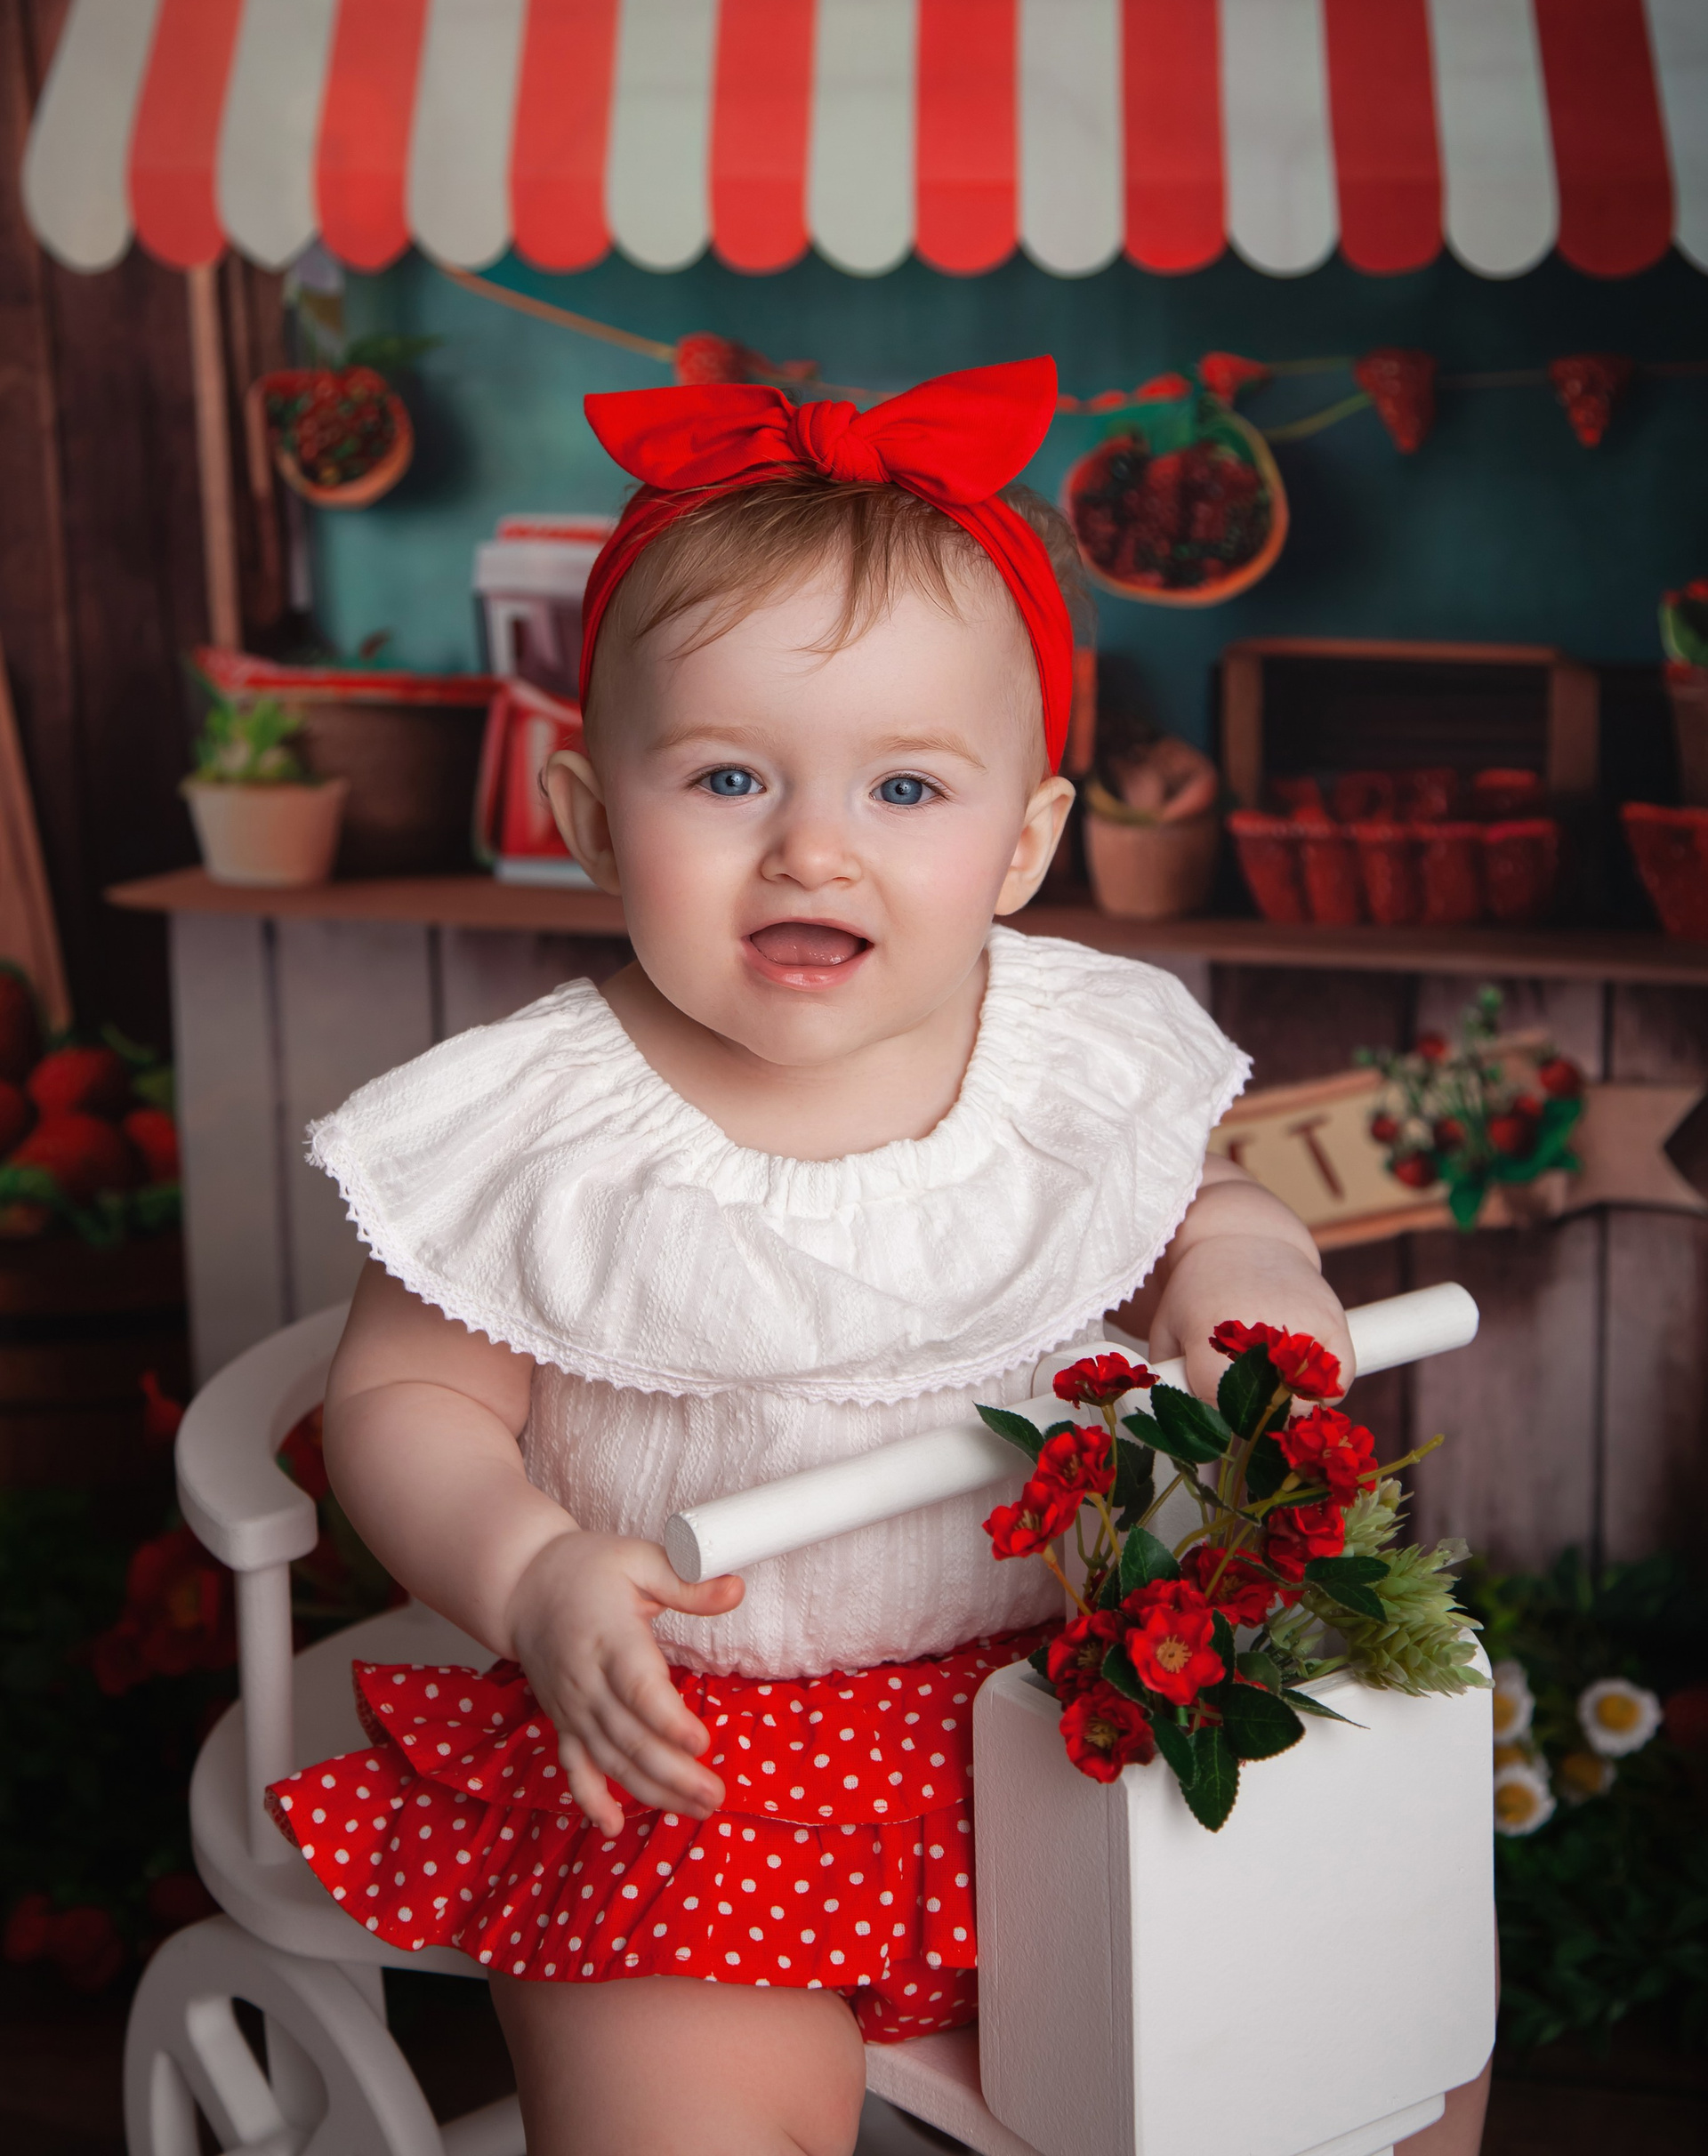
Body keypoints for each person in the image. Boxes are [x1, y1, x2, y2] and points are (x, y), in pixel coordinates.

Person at [269, 358, 1483, 2156]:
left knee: (1368, 2043)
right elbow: (402, 1400)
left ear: (1027, 842)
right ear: (591, 817)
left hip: (1074, 1703)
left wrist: (1253, 1276)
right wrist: (529, 1572)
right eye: (729, 776)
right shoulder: (535, 1126)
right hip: (691, 1759)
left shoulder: (1071, 1061)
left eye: (907, 787)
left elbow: (1204, 1207)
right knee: (683, 2113)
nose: (814, 847)